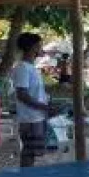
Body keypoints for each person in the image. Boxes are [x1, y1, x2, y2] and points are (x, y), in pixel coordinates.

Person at [13, 33, 53, 167]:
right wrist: (44, 107)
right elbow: (22, 95)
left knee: (32, 153)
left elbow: (33, 93)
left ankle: (27, 176)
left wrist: (46, 103)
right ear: (33, 47)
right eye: (40, 45)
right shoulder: (23, 68)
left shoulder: (31, 68)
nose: (42, 48)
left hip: (36, 117)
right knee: (29, 153)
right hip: (30, 119)